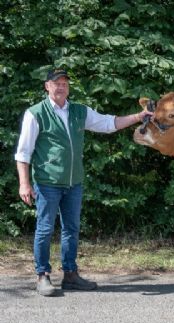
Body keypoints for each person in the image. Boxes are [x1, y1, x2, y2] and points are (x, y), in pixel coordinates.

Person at [14, 68, 153, 296]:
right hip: (47, 182)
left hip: (74, 182)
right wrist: (24, 184)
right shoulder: (35, 113)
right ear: (47, 86)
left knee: (72, 229)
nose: (61, 87)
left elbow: (109, 123)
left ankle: (70, 275)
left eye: (64, 83)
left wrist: (139, 117)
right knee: (45, 229)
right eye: (56, 83)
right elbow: (23, 153)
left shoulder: (79, 111)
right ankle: (43, 276)